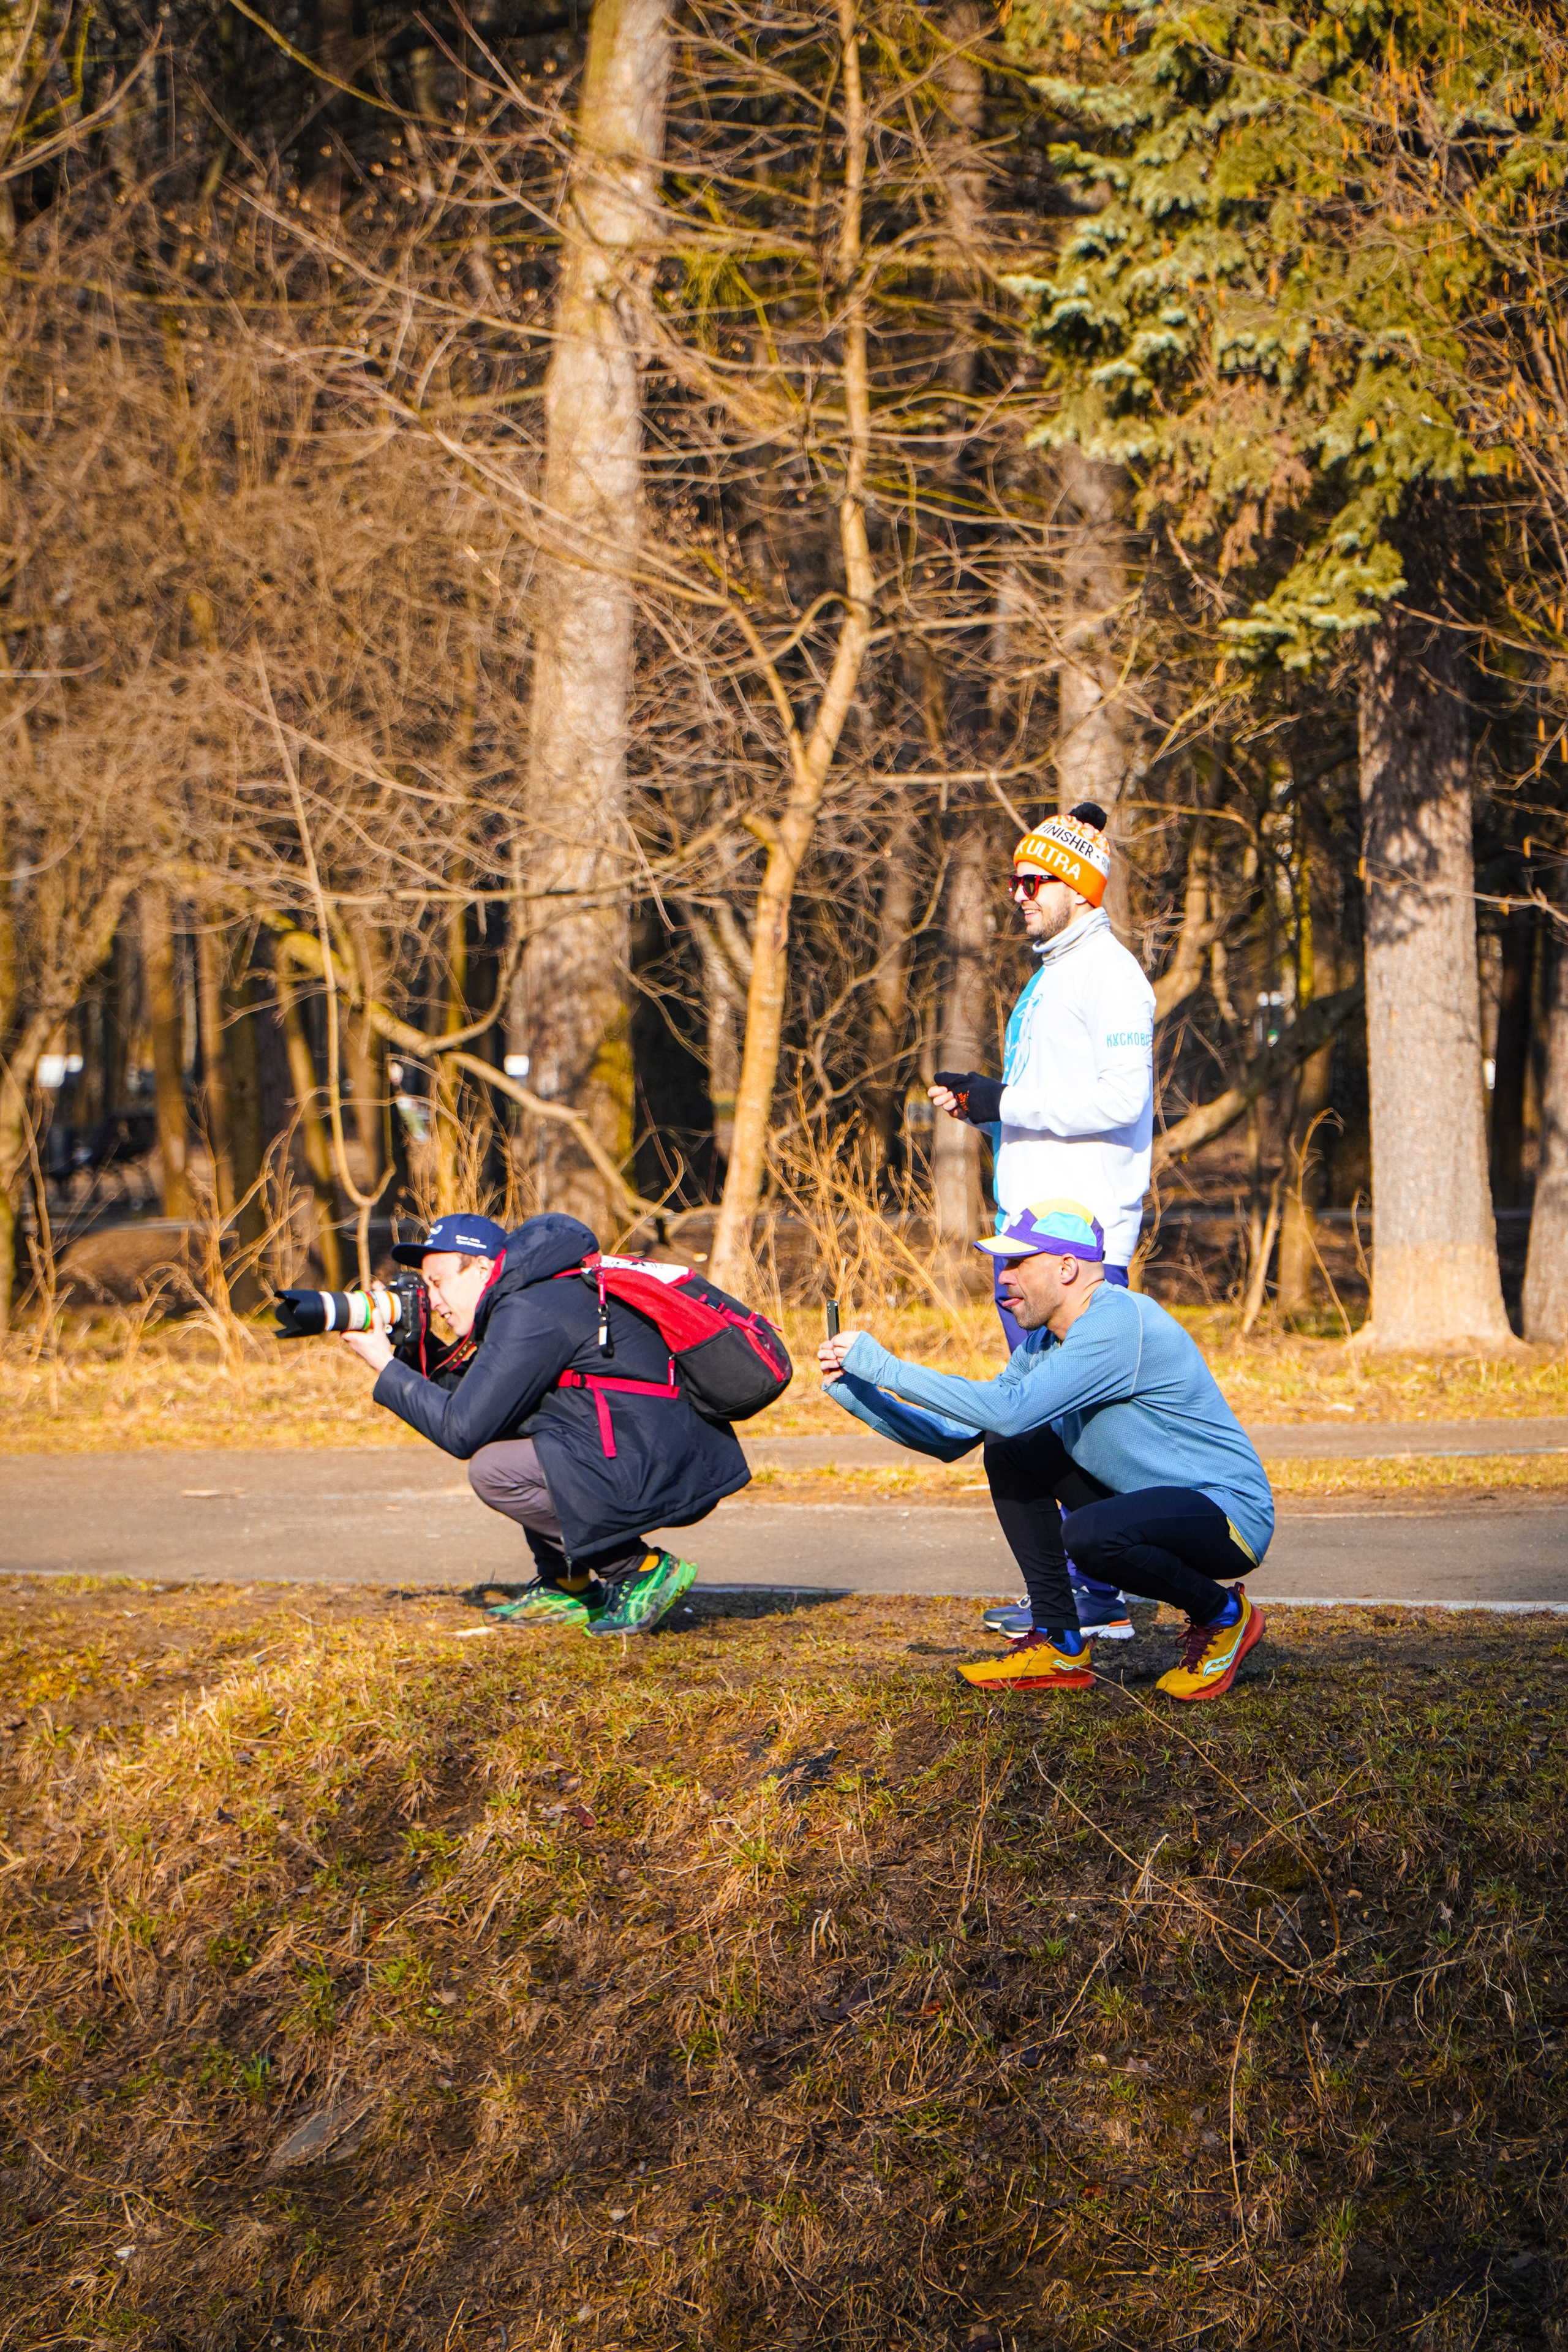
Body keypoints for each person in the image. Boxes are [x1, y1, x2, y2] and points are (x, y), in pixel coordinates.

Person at [817, 1199, 1272, 1700]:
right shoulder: (1043, 1344)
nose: (1003, 1278)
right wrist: (859, 1392)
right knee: (1013, 1445)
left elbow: (1009, 1408)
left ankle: (1225, 1616)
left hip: (1226, 1516)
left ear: (1068, 1267)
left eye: (1017, 1264)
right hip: (1144, 1506)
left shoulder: (1118, 1323)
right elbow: (955, 1437)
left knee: (1089, 1533)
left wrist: (889, 1367)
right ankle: (1060, 1641)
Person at [931, 801, 1156, 1644]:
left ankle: (1102, 1594)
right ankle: (1089, 1591)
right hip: (1033, 1240)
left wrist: (1007, 1100)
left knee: (1062, 1428)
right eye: (1016, 880)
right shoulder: (1055, 973)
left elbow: (1122, 1100)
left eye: (1036, 880)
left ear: (1080, 889)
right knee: (1049, 1426)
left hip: (1080, 1249)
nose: (1019, 893)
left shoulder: (1110, 975)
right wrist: (985, 1110)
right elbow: (1053, 1107)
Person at [339, 1210, 750, 1635]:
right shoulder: (533, 1296)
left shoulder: (529, 1310)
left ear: (481, 1268)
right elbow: (480, 1406)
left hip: (659, 1460)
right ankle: (567, 1583)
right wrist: (413, 1347)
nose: (433, 1300)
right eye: (424, 1287)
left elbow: (460, 1431)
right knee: (507, 1434)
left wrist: (383, 1363)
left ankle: (638, 1569)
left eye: (438, 1282)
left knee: (494, 1471)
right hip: (652, 1447)